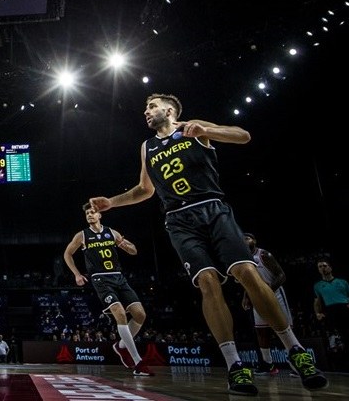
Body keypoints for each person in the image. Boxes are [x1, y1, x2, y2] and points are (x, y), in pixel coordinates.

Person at [89, 93, 327, 396]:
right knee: (207, 281)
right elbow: (144, 190)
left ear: (169, 110)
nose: (145, 111)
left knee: (248, 274)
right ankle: (234, 366)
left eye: (151, 106)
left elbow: (243, 135)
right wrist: (112, 202)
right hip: (178, 220)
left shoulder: (193, 127)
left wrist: (208, 131)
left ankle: (295, 350)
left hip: (212, 208)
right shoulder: (146, 147)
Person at [62, 202, 153, 377]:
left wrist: (127, 246)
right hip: (100, 279)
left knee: (140, 314)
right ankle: (138, 362)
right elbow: (67, 254)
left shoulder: (112, 232)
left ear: (99, 215)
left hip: (118, 276)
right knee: (119, 313)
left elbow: (134, 251)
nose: (89, 215)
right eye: (87, 213)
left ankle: (121, 347)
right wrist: (76, 274)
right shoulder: (82, 236)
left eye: (92, 212)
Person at [240, 233, 291, 376]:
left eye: (247, 238)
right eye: (242, 239)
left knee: (286, 329)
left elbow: (281, 275)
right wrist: (246, 296)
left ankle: (295, 365)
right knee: (262, 331)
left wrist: (268, 290)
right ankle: (268, 364)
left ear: (254, 240)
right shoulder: (244, 259)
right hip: (257, 297)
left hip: (275, 294)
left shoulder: (264, 255)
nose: (244, 241)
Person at [314, 258, 349, 374]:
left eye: (324, 266)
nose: (322, 268)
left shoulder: (342, 282)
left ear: (330, 267)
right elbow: (318, 301)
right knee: (347, 339)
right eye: (320, 267)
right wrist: (318, 313)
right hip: (332, 312)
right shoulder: (318, 286)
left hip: (347, 309)